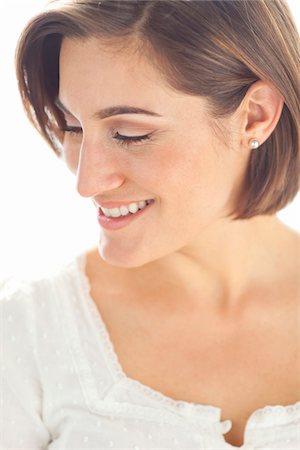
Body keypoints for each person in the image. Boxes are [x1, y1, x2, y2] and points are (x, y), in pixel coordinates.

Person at [1, 0, 299, 448]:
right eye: (72, 127)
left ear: (255, 115)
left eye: (129, 134)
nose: (87, 182)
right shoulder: (26, 331)